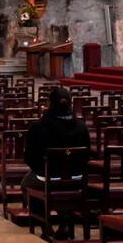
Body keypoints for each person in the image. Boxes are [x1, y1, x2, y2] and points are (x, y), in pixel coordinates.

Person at [22, 87, 91, 218]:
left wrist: (40, 170)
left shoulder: (39, 126)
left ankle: (44, 223)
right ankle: (65, 218)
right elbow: (86, 155)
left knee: (26, 184)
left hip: (48, 177)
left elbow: (29, 157)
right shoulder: (81, 126)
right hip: (76, 179)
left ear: (50, 103)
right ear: (70, 103)